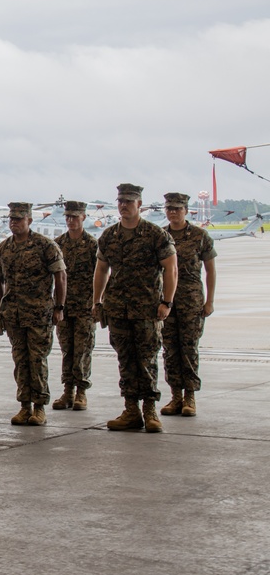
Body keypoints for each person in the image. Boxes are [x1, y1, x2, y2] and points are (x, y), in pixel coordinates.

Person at [93, 183, 177, 433]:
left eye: (129, 202)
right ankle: (131, 410)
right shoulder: (109, 236)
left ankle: (150, 410)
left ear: (139, 204)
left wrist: (167, 302)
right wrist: (96, 301)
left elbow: (171, 269)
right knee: (125, 360)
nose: (123, 206)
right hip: (118, 309)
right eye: (120, 201)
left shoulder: (155, 234)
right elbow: (101, 269)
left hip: (147, 309)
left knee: (147, 358)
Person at [0, 202, 67, 427]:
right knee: (20, 361)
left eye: (19, 219)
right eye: (12, 219)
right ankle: (24, 405)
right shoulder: (3, 249)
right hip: (14, 315)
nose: (14, 223)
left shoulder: (45, 246)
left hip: (39, 314)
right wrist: (0, 307)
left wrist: (59, 307)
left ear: (30, 221)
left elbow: (60, 277)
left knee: (37, 361)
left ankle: (39, 407)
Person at [160, 192, 216, 418]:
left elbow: (210, 270)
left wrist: (209, 301)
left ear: (186, 210)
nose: (173, 212)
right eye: (169, 208)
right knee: (170, 350)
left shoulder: (200, 236)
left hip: (191, 301)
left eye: (177, 208)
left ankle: (190, 396)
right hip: (166, 302)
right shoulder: (160, 236)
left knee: (189, 349)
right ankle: (175, 396)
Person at [53, 201, 98, 411]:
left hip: (85, 306)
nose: (71, 221)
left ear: (83, 218)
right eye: (68, 217)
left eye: (75, 217)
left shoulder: (93, 245)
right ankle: (68, 390)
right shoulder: (58, 244)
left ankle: (81, 392)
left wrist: (98, 302)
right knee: (66, 349)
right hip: (64, 306)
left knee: (83, 349)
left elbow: (102, 275)